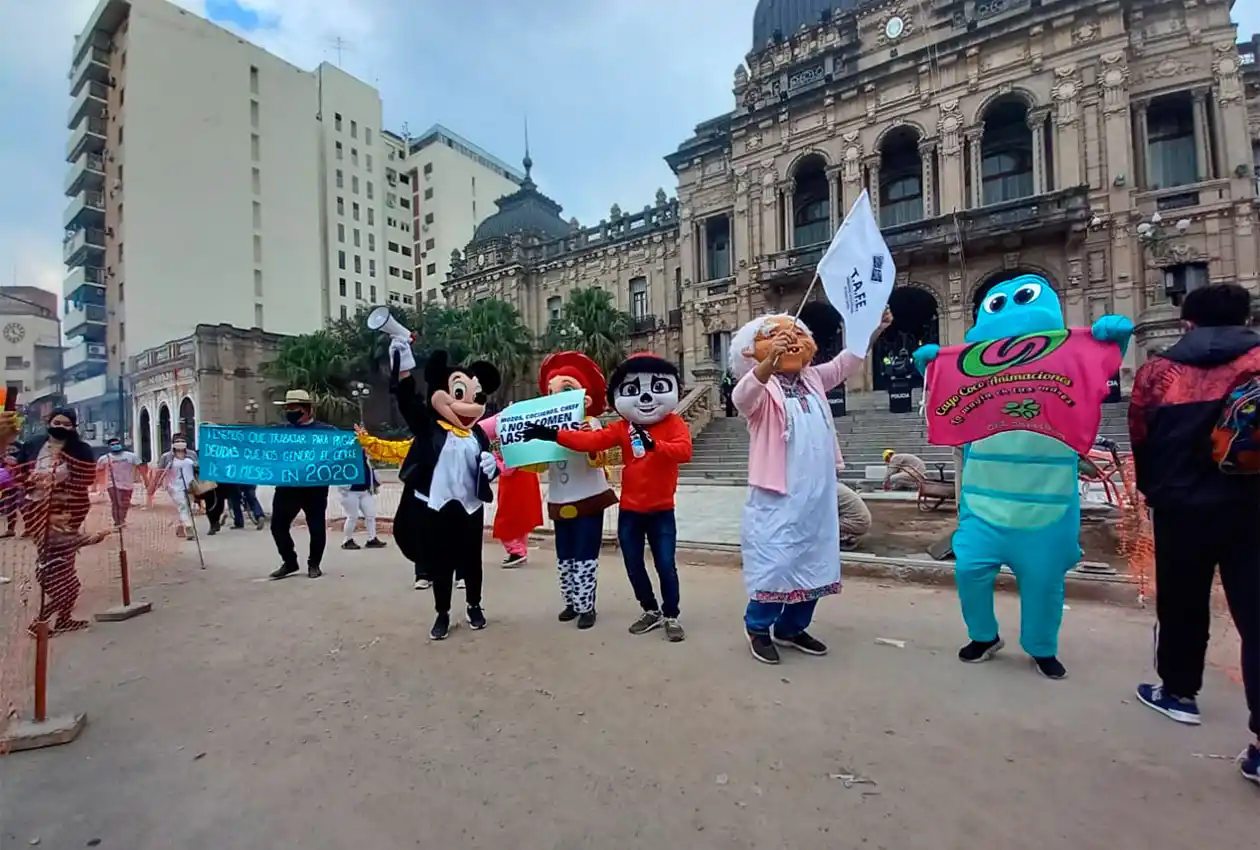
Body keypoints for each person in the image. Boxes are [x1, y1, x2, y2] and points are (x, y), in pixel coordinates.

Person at [913, 274, 1132, 680]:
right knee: (969, 572)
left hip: (1046, 510)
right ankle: (983, 636)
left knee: (1044, 584)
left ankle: (1041, 647)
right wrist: (931, 367)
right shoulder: (976, 370)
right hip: (983, 507)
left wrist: (1113, 342)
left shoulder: (1065, 363)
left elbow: (1099, 368)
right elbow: (942, 390)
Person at [1126, 283, 1260, 785]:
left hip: (1181, 505)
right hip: (1253, 505)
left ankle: (1179, 693)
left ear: (1188, 322)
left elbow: (1141, 436)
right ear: (1246, 318)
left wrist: (1152, 490)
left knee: (1182, 601)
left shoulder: (1159, 371)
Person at [731, 310, 891, 664]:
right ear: (751, 350)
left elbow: (847, 361)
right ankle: (758, 626)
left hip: (818, 489)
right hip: (777, 492)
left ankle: (791, 628)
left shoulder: (814, 378)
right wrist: (768, 364)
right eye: (776, 335)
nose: (790, 339)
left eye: (797, 334)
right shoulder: (760, 387)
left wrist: (873, 329)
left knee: (815, 558)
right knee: (778, 561)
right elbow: (741, 399)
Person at [524, 353, 692, 641]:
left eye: (656, 387)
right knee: (633, 564)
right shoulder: (622, 427)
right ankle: (650, 609)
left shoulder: (673, 423)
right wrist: (552, 435)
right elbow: (591, 441)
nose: (646, 397)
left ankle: (671, 614)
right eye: (633, 389)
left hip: (662, 511)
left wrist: (655, 445)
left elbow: (684, 451)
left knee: (665, 564)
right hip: (631, 511)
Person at [479, 352, 616, 630]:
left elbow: (599, 457)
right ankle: (571, 602)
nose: (557, 398)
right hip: (559, 498)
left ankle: (586, 606)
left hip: (589, 498)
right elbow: (538, 465)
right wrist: (515, 449)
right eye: (552, 392)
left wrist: (583, 436)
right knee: (564, 554)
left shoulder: (591, 424)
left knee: (585, 554)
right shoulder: (544, 427)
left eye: (566, 390)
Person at [267, 390, 336, 580]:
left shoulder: (326, 432)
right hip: (287, 487)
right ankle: (289, 562)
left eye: (294, 408)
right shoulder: (280, 431)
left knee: (316, 528)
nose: (290, 412)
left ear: (307, 409)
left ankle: (314, 564)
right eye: (288, 408)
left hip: (315, 489)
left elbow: (343, 450)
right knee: (277, 527)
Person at [16, 408, 96, 538]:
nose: (61, 427)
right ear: (49, 423)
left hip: (68, 505)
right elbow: (19, 470)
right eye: (57, 423)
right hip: (34, 503)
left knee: (63, 540)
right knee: (42, 540)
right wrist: (31, 480)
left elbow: (88, 478)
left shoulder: (82, 449)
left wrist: (57, 482)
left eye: (66, 424)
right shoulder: (32, 444)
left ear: (73, 427)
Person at [341, 451, 386, 550]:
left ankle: (372, 539)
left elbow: (369, 470)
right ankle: (347, 540)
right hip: (350, 492)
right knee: (352, 516)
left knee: (370, 515)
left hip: (365, 491)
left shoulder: (365, 456)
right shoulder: (345, 455)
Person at [156, 434, 199, 539]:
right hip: (174, 487)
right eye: (177, 442)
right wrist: (156, 485)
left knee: (188, 507)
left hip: (190, 486)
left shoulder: (191, 456)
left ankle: (181, 526)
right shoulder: (167, 457)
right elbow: (160, 472)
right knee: (182, 506)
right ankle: (188, 527)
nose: (180, 444)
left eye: (182, 441)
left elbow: (197, 468)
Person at [98, 437, 141, 526]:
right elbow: (98, 471)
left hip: (127, 484)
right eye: (112, 445)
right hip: (112, 484)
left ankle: (122, 520)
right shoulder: (104, 458)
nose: (115, 446)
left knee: (125, 504)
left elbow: (140, 467)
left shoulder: (131, 456)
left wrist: (145, 480)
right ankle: (117, 523)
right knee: (116, 503)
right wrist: (98, 486)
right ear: (109, 447)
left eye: (117, 444)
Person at [837, 482, 871, 551]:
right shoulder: (834, 486)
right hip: (860, 521)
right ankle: (846, 536)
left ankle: (846, 539)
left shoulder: (828, 489)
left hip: (856, 522)